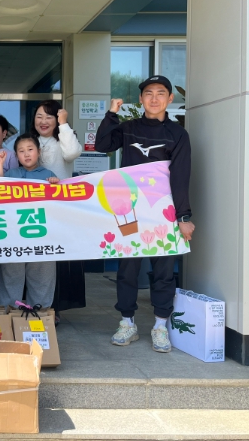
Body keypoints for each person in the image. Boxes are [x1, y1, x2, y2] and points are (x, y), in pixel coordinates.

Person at [95, 75, 195, 353]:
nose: (154, 98)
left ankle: (160, 326)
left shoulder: (178, 134)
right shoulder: (128, 128)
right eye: (148, 93)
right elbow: (102, 145)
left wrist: (184, 217)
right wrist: (112, 113)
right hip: (131, 211)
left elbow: (181, 177)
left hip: (164, 212)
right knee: (127, 270)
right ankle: (127, 323)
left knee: (164, 272)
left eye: (160, 93)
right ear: (140, 99)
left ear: (170, 99)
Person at [0, 134, 60, 309]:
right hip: (13, 235)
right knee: (11, 275)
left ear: (39, 152)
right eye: (21, 151)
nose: (26, 154)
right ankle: (7, 312)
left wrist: (55, 184)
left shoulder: (48, 175)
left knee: (42, 275)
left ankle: (40, 312)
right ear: (16, 155)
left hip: (41, 235)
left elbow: (59, 204)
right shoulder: (12, 174)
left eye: (30, 149)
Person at [30, 101, 85, 320]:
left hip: (58, 209)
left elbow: (72, 153)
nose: (43, 121)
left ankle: (53, 309)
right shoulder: (28, 141)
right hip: (32, 209)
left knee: (56, 259)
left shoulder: (64, 138)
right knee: (35, 259)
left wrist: (64, 124)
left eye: (49, 117)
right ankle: (31, 305)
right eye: (39, 116)